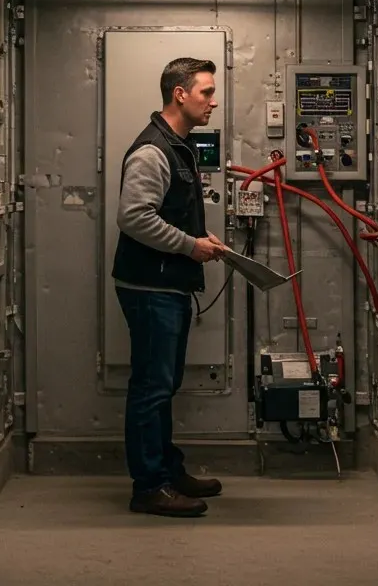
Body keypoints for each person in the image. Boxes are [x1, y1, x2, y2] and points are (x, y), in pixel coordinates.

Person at [111, 56, 229, 517]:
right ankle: (149, 487)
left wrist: (200, 240)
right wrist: (188, 246)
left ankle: (167, 470)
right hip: (149, 288)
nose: (212, 101)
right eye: (205, 92)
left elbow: (170, 214)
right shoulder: (153, 150)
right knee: (151, 387)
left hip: (166, 286)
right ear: (179, 94)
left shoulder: (177, 145)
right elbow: (134, 217)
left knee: (163, 384)